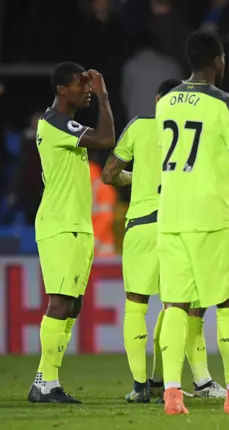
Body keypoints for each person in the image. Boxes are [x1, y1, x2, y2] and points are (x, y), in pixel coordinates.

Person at [155, 29, 229, 415]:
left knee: (173, 305)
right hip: (212, 218)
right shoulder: (226, 102)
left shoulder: (166, 102)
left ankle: (172, 395)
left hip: (171, 216)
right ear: (219, 60)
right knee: (228, 303)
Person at [102, 78, 229, 403]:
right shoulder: (194, 132)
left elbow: (108, 174)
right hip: (179, 225)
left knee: (135, 306)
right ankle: (165, 381)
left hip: (142, 226)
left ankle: (140, 386)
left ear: (158, 98)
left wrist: (136, 177)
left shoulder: (140, 126)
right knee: (175, 306)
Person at [27, 62, 115, 403]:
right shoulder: (55, 122)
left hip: (74, 223)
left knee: (73, 304)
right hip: (61, 223)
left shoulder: (62, 124)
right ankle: (44, 382)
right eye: (81, 83)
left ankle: (48, 380)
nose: (88, 88)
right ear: (62, 90)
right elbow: (106, 138)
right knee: (61, 301)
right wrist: (106, 99)